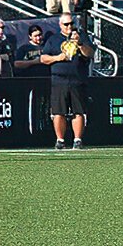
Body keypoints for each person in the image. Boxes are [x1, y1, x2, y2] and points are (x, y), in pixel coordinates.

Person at [40, 13, 94, 150]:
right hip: (59, 79)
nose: (69, 27)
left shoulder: (82, 37)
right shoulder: (53, 39)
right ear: (60, 25)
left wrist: (80, 44)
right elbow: (43, 58)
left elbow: (90, 54)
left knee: (79, 111)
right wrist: (58, 58)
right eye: (66, 24)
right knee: (59, 111)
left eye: (71, 24)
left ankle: (77, 140)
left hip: (77, 79)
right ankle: (60, 140)